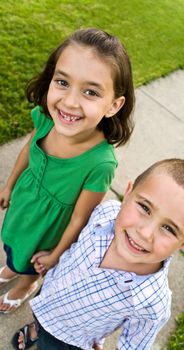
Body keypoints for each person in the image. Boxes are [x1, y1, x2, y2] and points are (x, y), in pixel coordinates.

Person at [13, 158, 184, 350]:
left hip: (70, 339)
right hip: (50, 294)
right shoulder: (106, 213)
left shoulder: (152, 303)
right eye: (144, 207)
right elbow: (75, 244)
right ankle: (35, 329)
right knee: (39, 317)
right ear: (127, 194)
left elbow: (133, 345)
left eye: (169, 229)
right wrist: (55, 256)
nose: (145, 233)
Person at [0, 28, 135, 313]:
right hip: (25, 203)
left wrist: (55, 255)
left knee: (32, 261)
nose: (70, 102)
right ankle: (13, 267)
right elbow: (29, 149)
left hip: (48, 230)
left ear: (114, 105)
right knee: (13, 243)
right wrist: (9, 185)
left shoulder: (100, 163)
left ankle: (26, 285)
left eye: (90, 91)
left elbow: (79, 218)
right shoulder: (48, 119)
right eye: (62, 82)